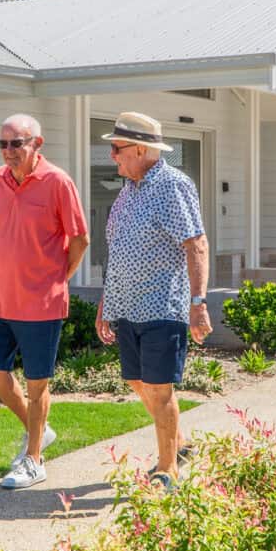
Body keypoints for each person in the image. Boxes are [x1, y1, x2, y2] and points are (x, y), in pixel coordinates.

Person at [95, 111, 212, 489]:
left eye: (117, 148)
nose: (112, 156)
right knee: (135, 380)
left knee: (160, 388)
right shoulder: (128, 193)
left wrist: (198, 302)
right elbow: (117, 253)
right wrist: (104, 305)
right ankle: (178, 442)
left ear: (141, 149)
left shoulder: (172, 185)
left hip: (163, 305)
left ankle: (168, 469)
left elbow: (196, 244)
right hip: (126, 307)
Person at [0, 114, 89, 489]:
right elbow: (3, 231)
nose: (9, 151)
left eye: (17, 143)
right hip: (0, 297)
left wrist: (58, 279)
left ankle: (33, 460)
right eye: (3, 144)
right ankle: (38, 431)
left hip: (42, 303)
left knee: (37, 384)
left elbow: (79, 239)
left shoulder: (58, 182)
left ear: (37, 144)